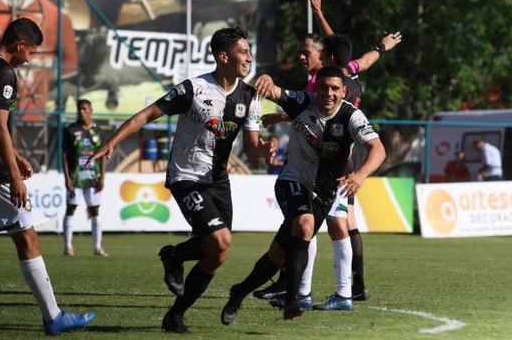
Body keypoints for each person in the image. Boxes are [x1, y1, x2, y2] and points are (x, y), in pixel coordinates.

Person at [85, 27, 274, 333]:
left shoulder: (250, 97)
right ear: (223, 56)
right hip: (186, 176)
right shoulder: (194, 89)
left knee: (218, 254)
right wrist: (112, 141)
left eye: (249, 51)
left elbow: (251, 149)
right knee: (220, 241)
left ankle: (175, 315)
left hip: (218, 180)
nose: (249, 58)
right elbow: (147, 115)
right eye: (243, 52)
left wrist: (263, 150)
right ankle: (173, 255)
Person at [0, 18, 94, 335]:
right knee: (28, 238)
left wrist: (15, 155)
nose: (30, 58)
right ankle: (53, 317)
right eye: (31, 51)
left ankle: (54, 316)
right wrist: (14, 176)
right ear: (18, 45)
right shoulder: (5, 72)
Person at [221, 66, 386, 323]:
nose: (328, 94)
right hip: (292, 180)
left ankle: (239, 292)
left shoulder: (352, 116)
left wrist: (361, 174)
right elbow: (273, 91)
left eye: (334, 88)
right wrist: (265, 78)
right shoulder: (302, 102)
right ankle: (293, 300)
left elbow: (378, 149)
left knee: (279, 253)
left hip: (324, 195)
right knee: (305, 224)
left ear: (344, 91)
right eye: (323, 87)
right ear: (315, 88)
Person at [62, 99, 108, 257]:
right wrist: (67, 177)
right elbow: (65, 154)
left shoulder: (99, 131)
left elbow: (103, 155)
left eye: (85, 109)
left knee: (95, 210)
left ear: (91, 110)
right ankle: (68, 247)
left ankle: (97, 247)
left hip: (93, 178)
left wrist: (102, 176)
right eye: (79, 109)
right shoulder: (70, 130)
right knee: (71, 208)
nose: (82, 112)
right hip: (76, 178)